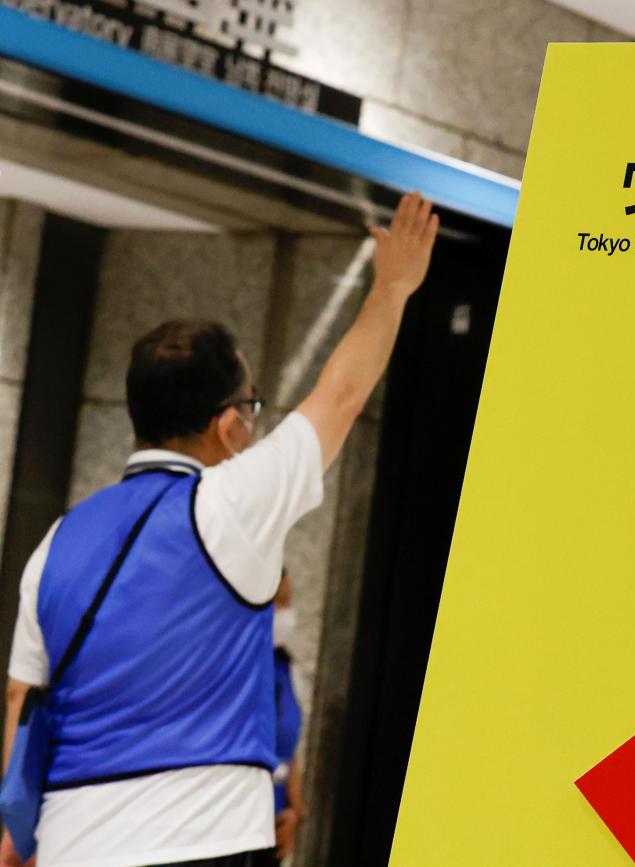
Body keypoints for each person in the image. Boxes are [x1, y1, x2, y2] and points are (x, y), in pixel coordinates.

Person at [0, 192, 439, 867]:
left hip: (70, 841)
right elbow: (342, 395)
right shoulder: (232, 499)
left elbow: (22, 697)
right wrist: (394, 285)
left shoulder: (58, 540)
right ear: (228, 425)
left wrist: (17, 837)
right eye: (251, 405)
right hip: (205, 838)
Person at [270, 570, 303, 865]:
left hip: (275, 822)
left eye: (288, 603)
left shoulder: (285, 667)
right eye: (279, 604)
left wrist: (295, 811)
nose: (286, 614)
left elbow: (291, 750)